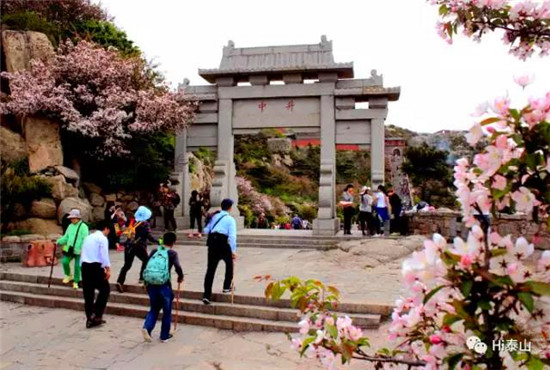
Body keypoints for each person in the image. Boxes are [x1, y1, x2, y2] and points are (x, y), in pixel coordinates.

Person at [142, 232, 184, 343]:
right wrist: (180, 277)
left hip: (151, 283)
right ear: (173, 242)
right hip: (164, 284)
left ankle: (147, 327)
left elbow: (146, 264)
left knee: (154, 308)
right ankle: (164, 335)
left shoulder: (155, 251)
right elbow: (178, 267)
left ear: (163, 240)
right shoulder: (172, 253)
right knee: (167, 310)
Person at [202, 199, 237, 305]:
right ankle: (226, 286)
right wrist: (233, 250)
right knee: (229, 265)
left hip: (212, 243)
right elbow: (232, 236)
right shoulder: (230, 219)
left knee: (210, 269)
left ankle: (207, 295)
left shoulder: (214, 216)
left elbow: (206, 231)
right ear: (230, 207)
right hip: (223, 243)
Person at [116, 206, 156, 293]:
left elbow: (123, 230)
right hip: (139, 246)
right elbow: (150, 237)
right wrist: (160, 241)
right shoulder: (145, 224)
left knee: (127, 265)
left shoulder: (131, 221)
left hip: (128, 246)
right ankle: (142, 278)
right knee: (146, 260)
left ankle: (120, 281)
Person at [80, 220, 111, 329]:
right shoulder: (102, 238)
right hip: (95, 266)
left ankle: (90, 318)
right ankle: (96, 314)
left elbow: (82, 252)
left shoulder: (88, 237)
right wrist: (107, 268)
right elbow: (104, 255)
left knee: (88, 294)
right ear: (106, 229)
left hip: (85, 266)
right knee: (105, 289)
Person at [57, 209, 89, 289]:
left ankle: (76, 281)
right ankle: (68, 275)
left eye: (73, 218)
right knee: (64, 261)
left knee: (77, 266)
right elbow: (66, 237)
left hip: (79, 250)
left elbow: (85, 239)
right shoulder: (70, 226)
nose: (71, 219)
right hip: (69, 248)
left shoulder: (84, 227)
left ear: (77, 218)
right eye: (71, 218)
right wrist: (58, 242)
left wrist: (83, 249)